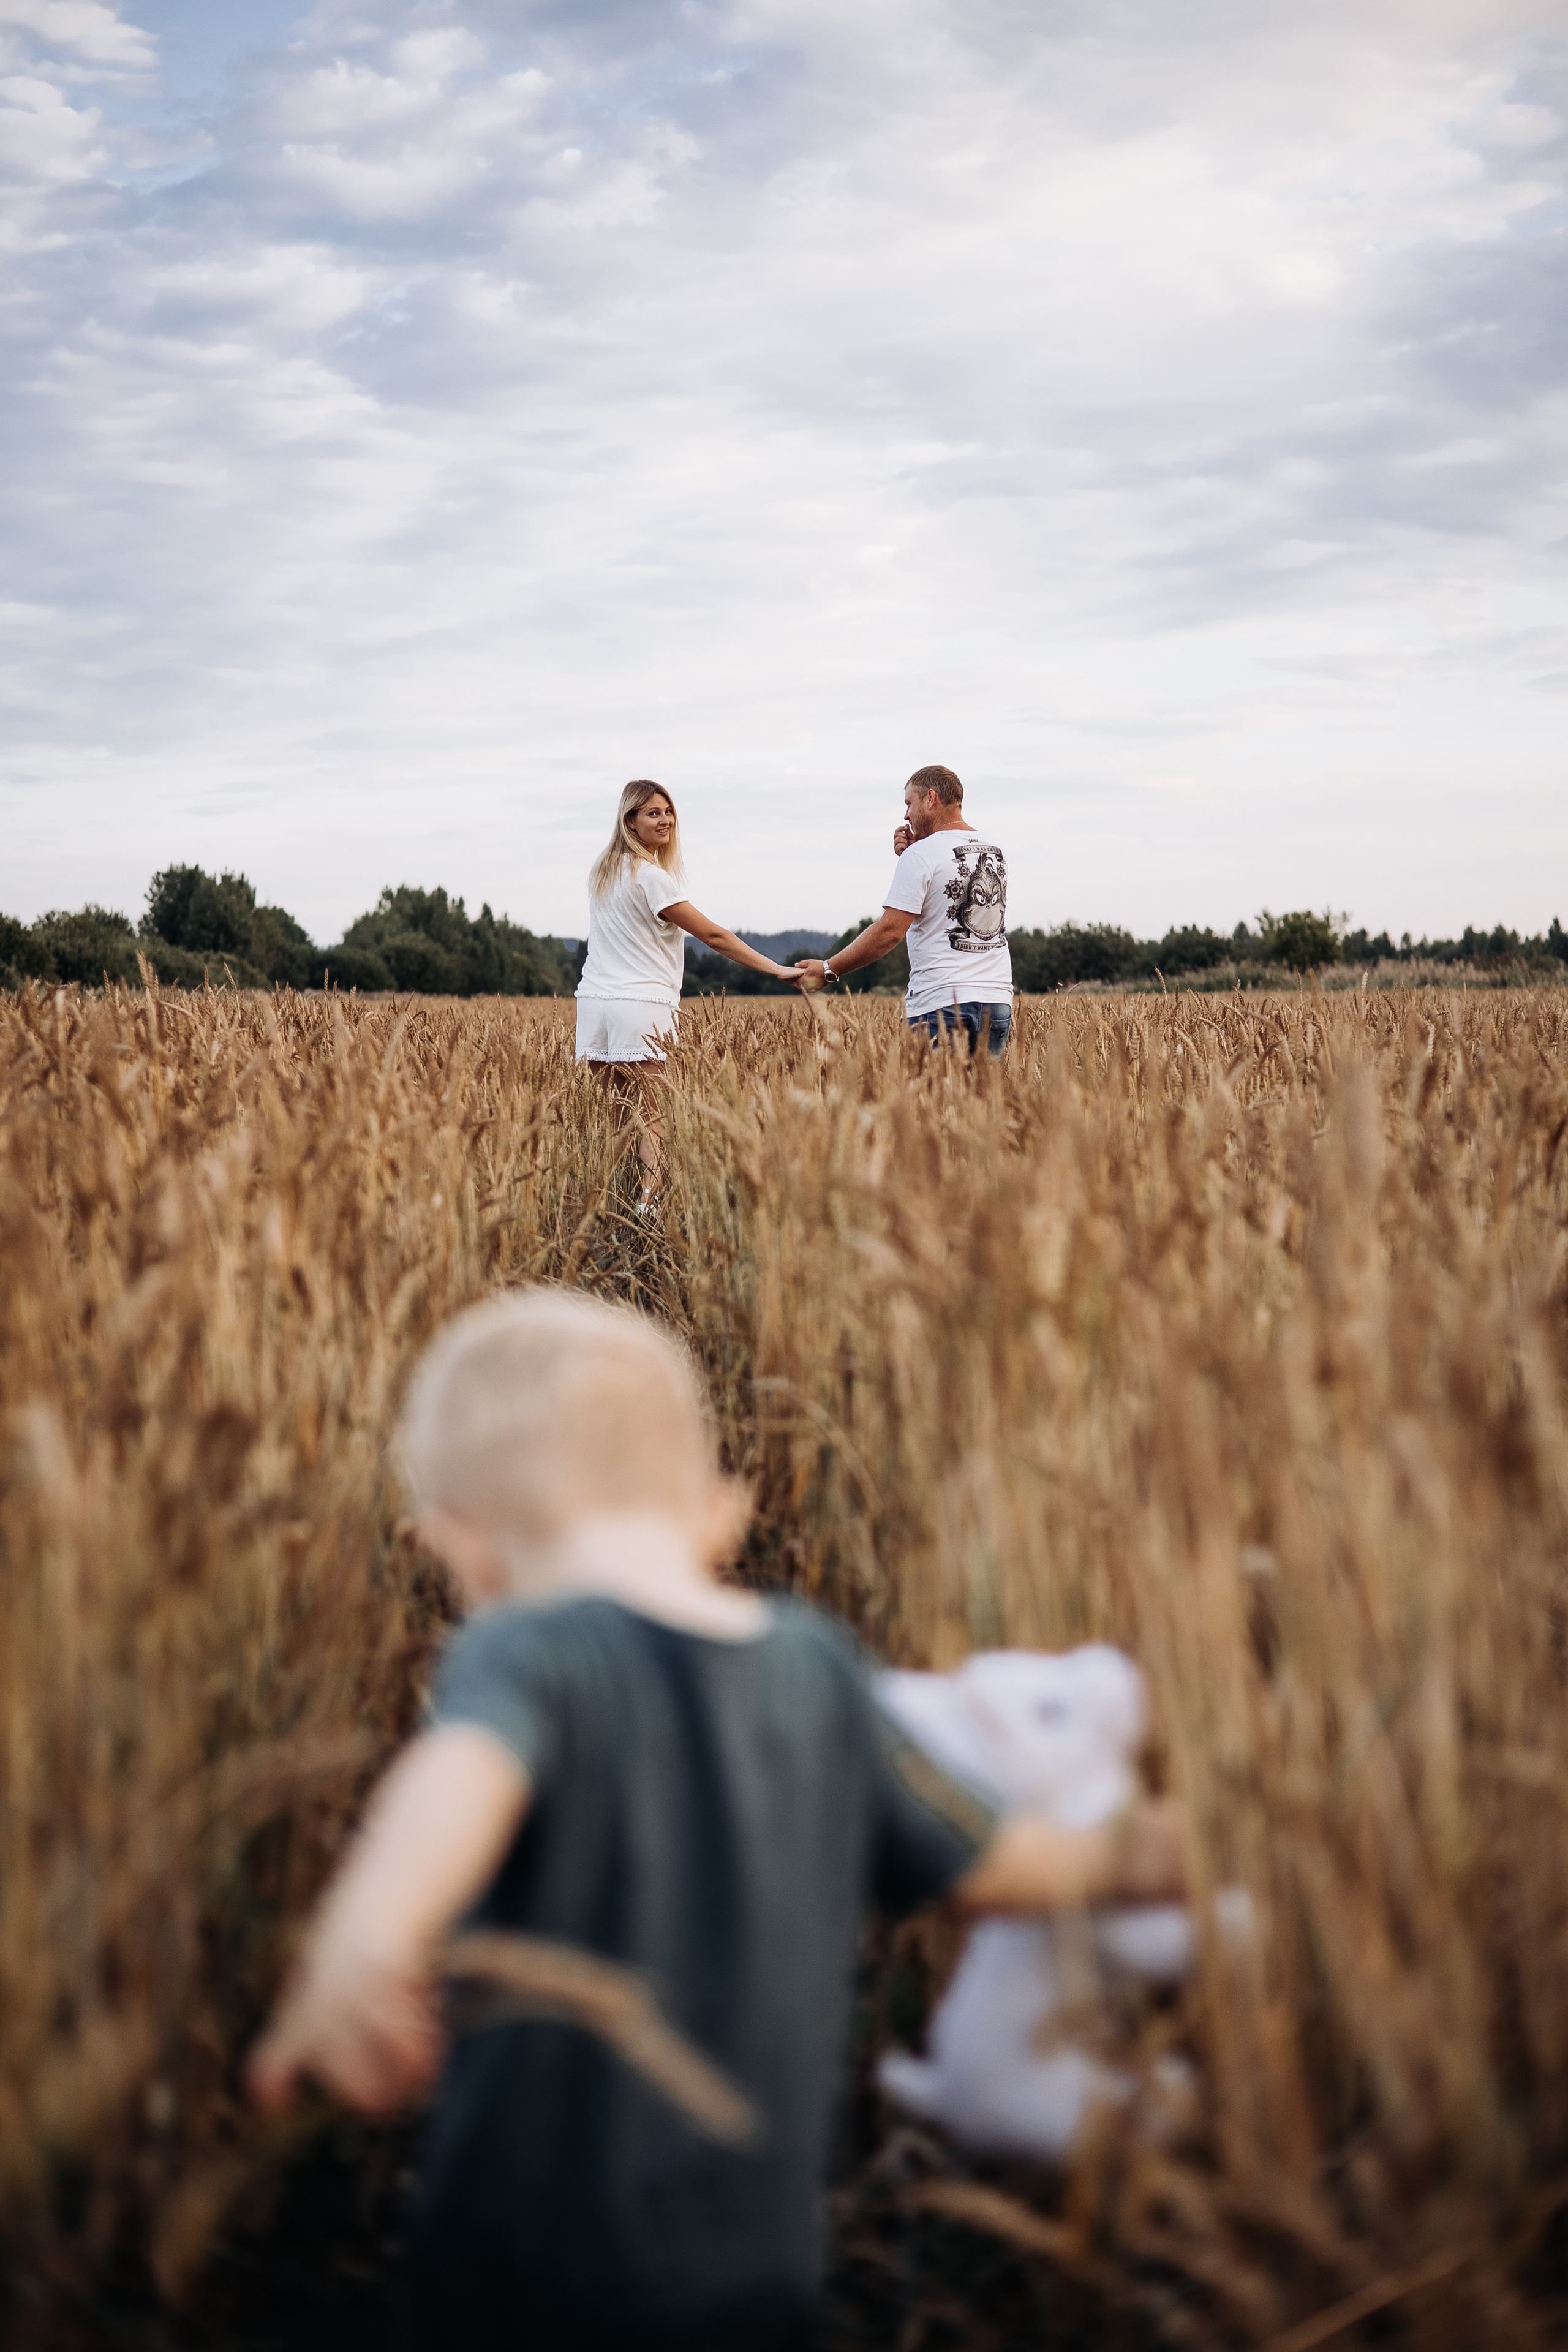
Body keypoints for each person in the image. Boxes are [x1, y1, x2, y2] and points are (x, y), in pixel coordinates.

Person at [248, 1289, 1187, 2352]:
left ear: (464, 1552)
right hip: (755, 2294)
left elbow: (455, 1781)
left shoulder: (528, 1652)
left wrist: (365, 1938)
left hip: (518, 2293)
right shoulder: (819, 1672)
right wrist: (1186, 1852)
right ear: (722, 1518)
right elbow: (1006, 1869)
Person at [575, 780, 804, 1209]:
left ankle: (605, 1209)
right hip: (640, 1007)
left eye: (668, 811)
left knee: (618, 1119)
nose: (665, 820)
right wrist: (776, 969)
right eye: (652, 813)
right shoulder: (652, 877)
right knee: (654, 1119)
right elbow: (715, 936)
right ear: (630, 822)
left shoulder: (603, 873)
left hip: (593, 1006)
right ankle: (649, 1211)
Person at [797, 765, 1013, 1055]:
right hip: (997, 1001)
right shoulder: (994, 850)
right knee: (985, 1099)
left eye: (909, 803)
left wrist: (828, 970)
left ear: (931, 799)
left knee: (929, 1100)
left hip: (941, 1004)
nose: (906, 815)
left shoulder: (921, 855)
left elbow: (889, 932)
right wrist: (918, 849)